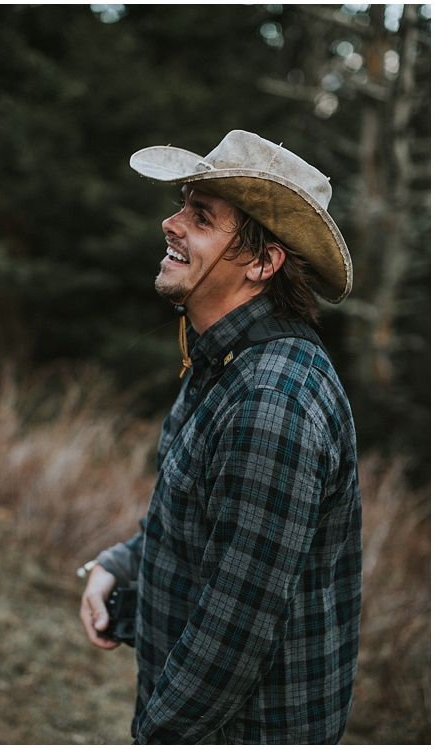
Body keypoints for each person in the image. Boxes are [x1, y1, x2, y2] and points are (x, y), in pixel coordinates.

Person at [79, 130, 361, 744]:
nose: (170, 223)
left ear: (263, 262)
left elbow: (233, 635)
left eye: (200, 217)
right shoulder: (222, 363)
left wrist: (153, 737)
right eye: (183, 204)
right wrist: (119, 564)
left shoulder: (271, 403)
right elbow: (204, 521)